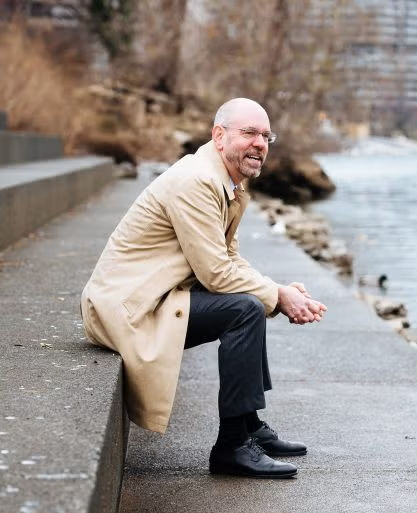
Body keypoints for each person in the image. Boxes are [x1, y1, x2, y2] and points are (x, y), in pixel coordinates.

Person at [81, 98, 327, 479]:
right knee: (244, 309)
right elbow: (216, 274)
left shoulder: (226, 184)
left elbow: (229, 261)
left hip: (154, 298)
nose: (260, 143)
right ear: (218, 136)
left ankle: (248, 426)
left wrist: (276, 290)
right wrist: (278, 296)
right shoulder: (197, 181)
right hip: (128, 309)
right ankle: (231, 447)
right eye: (249, 133)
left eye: (265, 135)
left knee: (248, 302)